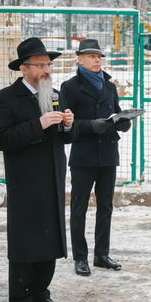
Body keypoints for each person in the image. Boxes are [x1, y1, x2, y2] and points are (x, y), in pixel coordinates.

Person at [0, 37, 76, 302]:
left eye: (48, 64)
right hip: (25, 181)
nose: (46, 69)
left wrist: (68, 126)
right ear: (23, 69)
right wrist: (37, 125)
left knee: (49, 238)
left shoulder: (54, 93)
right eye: (40, 65)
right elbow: (0, 139)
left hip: (52, 177)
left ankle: (41, 292)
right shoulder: (5, 98)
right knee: (26, 240)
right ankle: (21, 299)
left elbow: (65, 138)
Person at [61, 38, 131, 277]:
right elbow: (66, 125)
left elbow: (115, 112)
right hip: (84, 155)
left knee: (106, 207)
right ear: (79, 59)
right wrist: (91, 125)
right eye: (91, 56)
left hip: (109, 153)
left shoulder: (109, 86)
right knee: (79, 208)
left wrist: (123, 122)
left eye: (99, 56)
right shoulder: (69, 87)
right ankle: (80, 258)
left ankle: (102, 255)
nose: (96, 60)